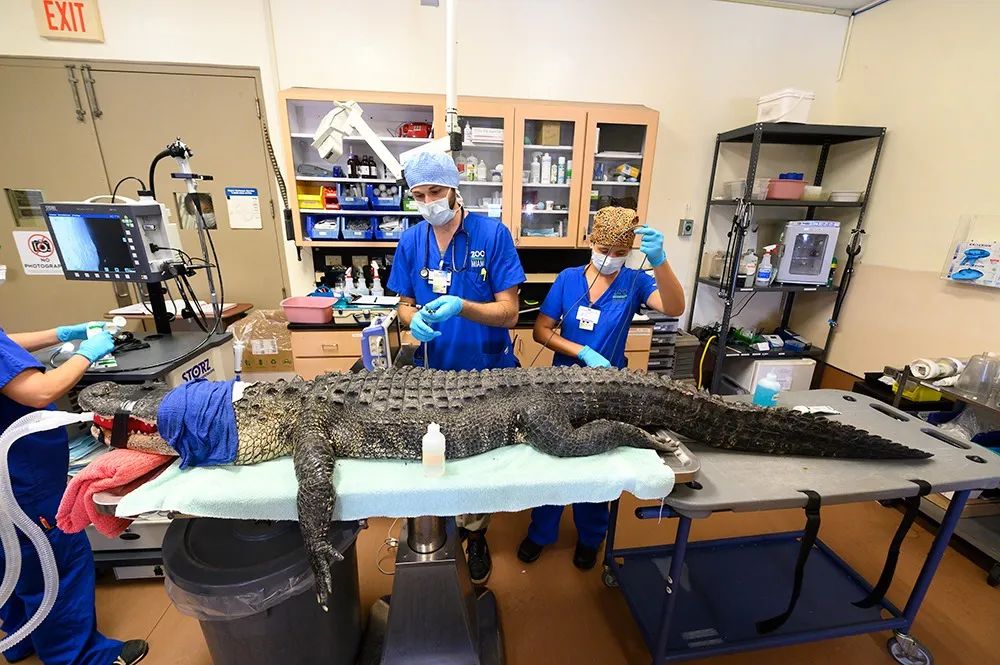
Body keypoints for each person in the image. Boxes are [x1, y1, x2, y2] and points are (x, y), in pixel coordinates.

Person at [517, 206, 685, 570]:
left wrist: (660, 262)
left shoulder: (635, 281)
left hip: (609, 389)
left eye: (620, 253)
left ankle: (591, 536)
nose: (610, 258)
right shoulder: (568, 279)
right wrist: (582, 350)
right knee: (552, 461)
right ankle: (541, 532)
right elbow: (541, 331)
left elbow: (674, 307)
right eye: (605, 249)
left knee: (599, 464)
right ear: (592, 241)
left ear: (630, 252)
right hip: (561, 386)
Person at [388, 150, 526, 586]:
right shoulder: (412, 241)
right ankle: (438, 528)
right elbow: (402, 305)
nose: (429, 201)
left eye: (435, 192)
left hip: (486, 369)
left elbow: (510, 314)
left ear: (454, 188)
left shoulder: (492, 234)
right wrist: (415, 322)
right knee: (437, 456)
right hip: (434, 370)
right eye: (419, 194)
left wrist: (463, 307)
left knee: (480, 461)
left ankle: (476, 532)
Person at [0, 322, 149, 665]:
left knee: (11, 558)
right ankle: (79, 658)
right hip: (21, 481)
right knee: (55, 561)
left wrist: (61, 334)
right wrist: (88, 354)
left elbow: (3, 344)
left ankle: (22, 637)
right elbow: (39, 392)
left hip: (12, 481)